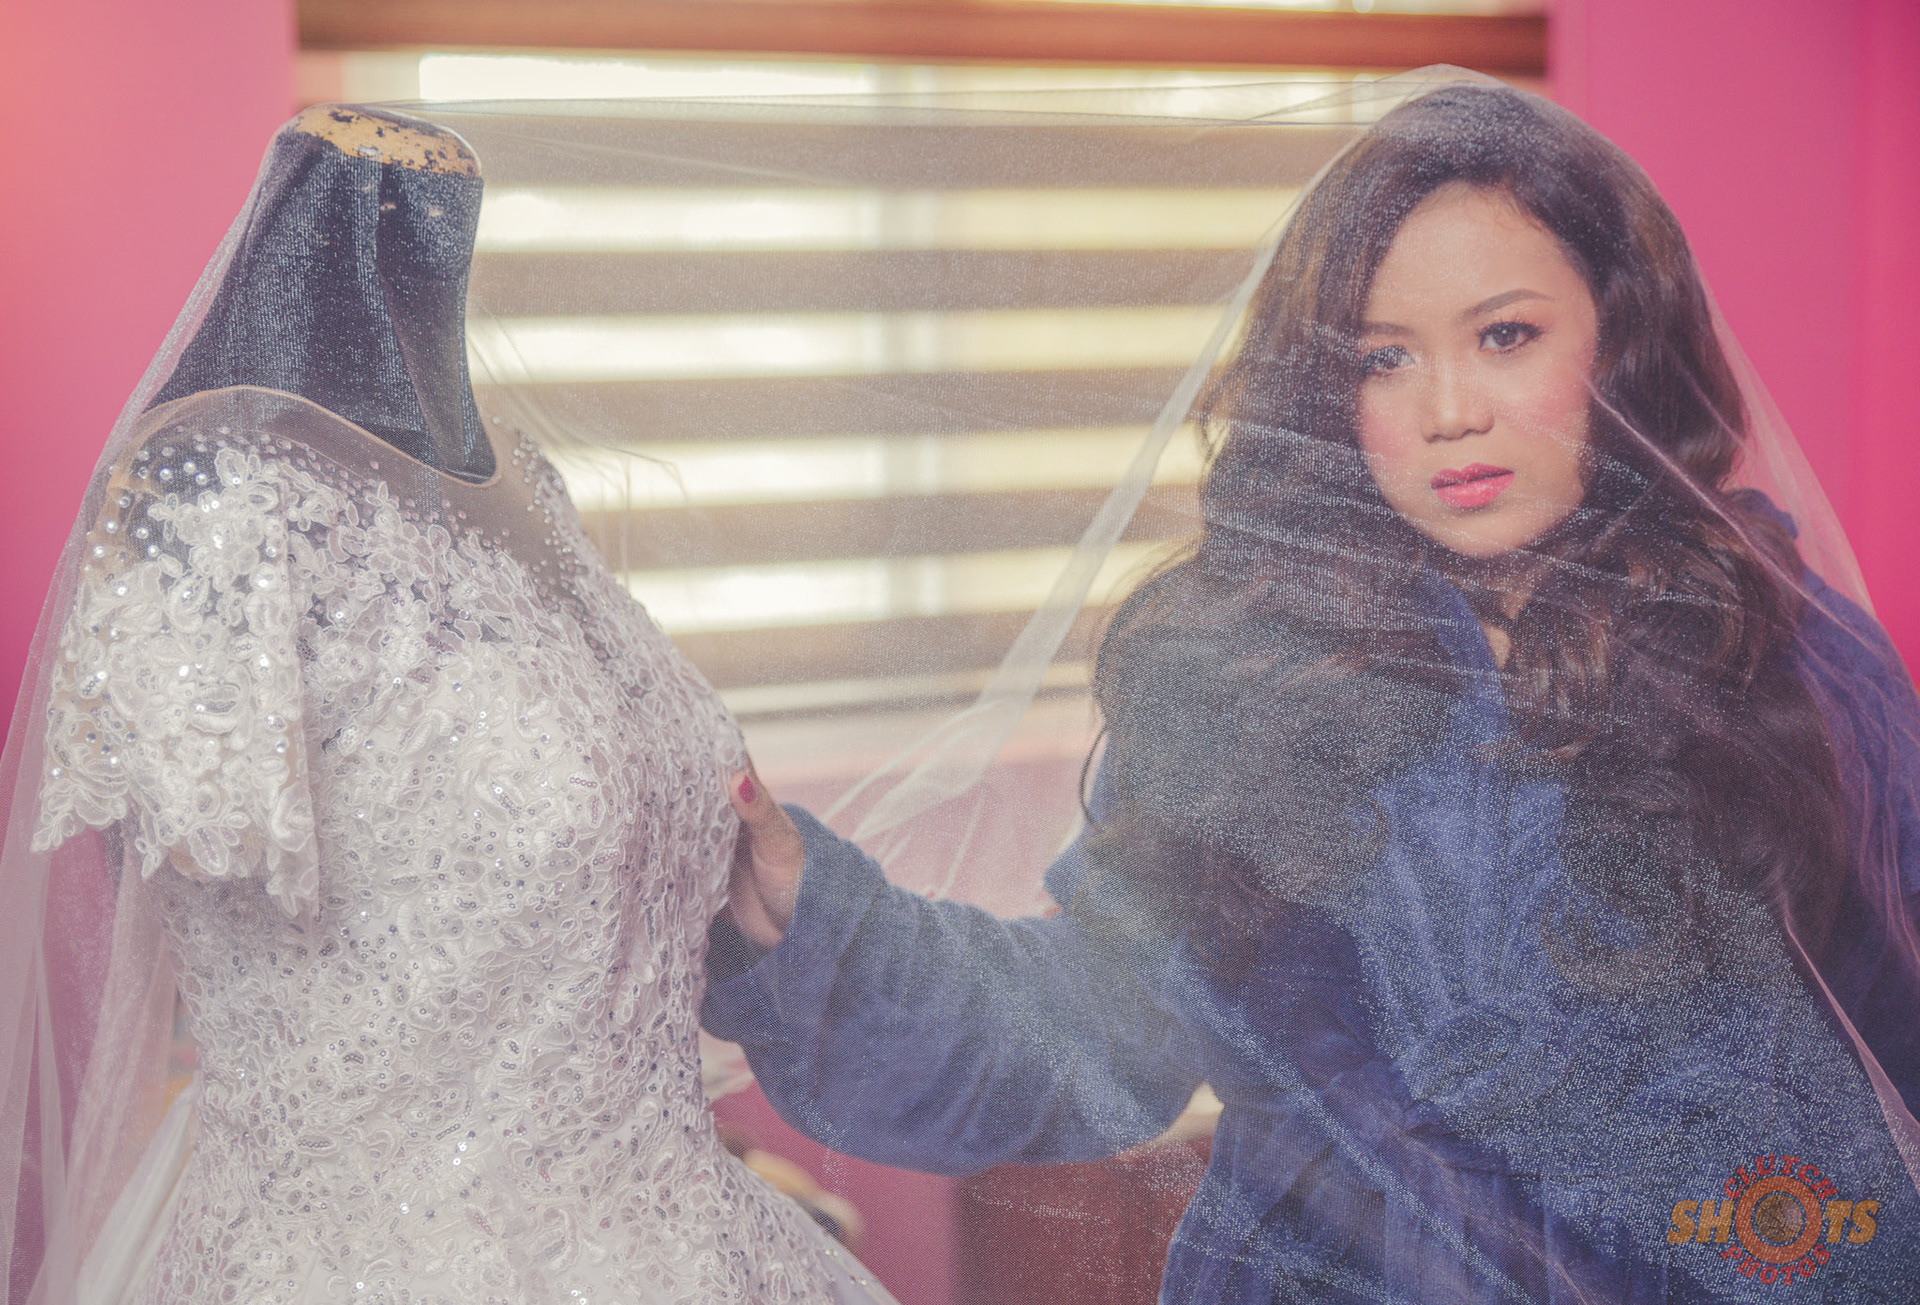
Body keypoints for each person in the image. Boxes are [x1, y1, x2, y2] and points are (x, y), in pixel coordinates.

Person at [707, 82, 1920, 1302]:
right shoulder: (1251, 674)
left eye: (1507, 336)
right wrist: (823, 924)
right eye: (1383, 359)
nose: (1450, 412)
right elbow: (1093, 1028)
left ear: (1621, 340)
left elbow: (1890, 1049)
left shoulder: (1783, 663)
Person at [2, 106, 896, 1305]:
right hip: (373, 1258)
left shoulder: (531, 492)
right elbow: (209, 904)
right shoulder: (208, 496)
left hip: (683, 1235)